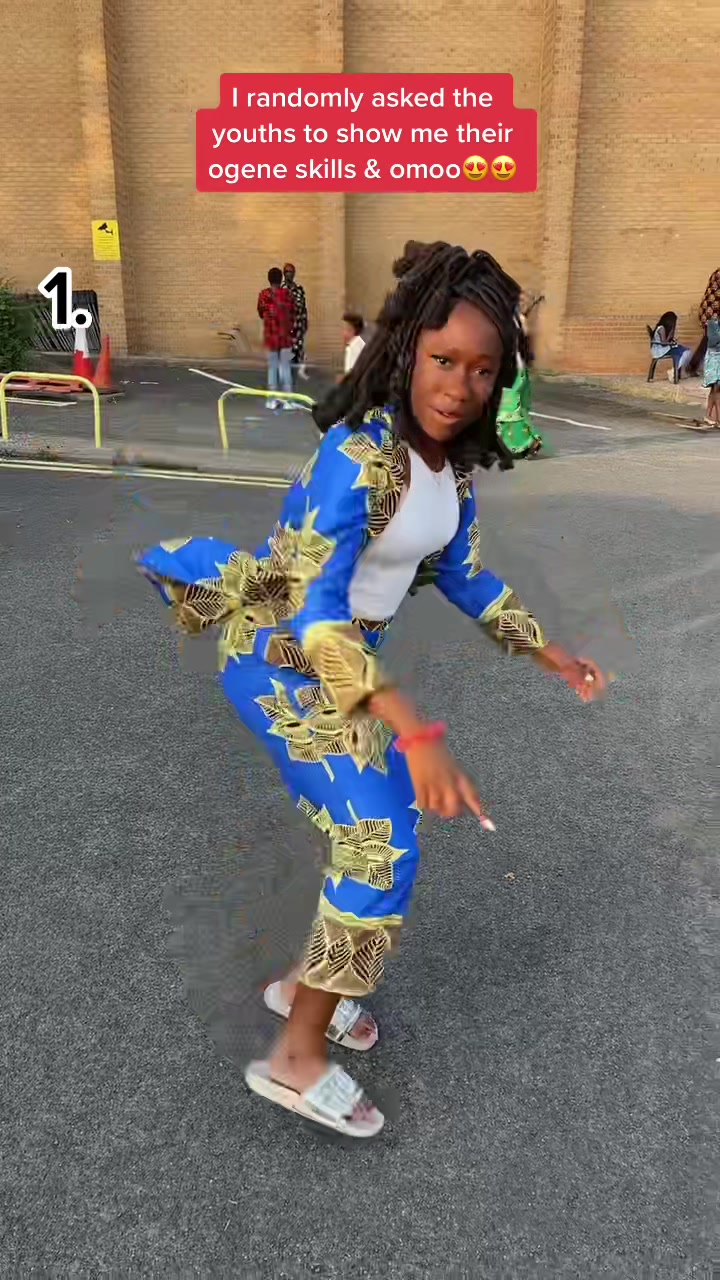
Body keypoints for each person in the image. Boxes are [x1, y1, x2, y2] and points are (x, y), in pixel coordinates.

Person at [134, 240, 607, 1139]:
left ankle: (302, 989)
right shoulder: (357, 456)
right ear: (405, 347)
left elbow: (465, 575)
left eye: (482, 369)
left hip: (348, 673)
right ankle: (295, 1057)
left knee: (379, 832)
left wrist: (551, 652)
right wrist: (415, 733)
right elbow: (318, 618)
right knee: (380, 842)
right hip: (282, 662)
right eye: (444, 360)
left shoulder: (449, 470)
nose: (460, 386)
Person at [257, 268, 296, 411]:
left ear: (269, 279)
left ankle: (271, 400)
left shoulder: (264, 295)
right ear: (281, 279)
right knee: (286, 368)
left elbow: (261, 313)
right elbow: (293, 314)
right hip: (285, 337)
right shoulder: (287, 295)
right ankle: (289, 400)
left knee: (272, 369)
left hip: (271, 337)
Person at [282, 263, 309, 382]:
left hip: (298, 328)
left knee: (298, 354)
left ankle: (295, 379)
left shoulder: (299, 289)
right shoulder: (281, 290)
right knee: (288, 356)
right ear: (284, 273)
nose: (289, 274)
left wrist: (305, 321)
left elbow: (303, 307)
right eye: (287, 272)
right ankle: (287, 380)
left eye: (291, 272)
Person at [650, 311, 691, 379]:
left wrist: (672, 332)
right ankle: (673, 371)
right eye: (674, 322)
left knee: (685, 350)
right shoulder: (661, 328)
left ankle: (674, 371)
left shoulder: (663, 328)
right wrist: (671, 343)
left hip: (662, 349)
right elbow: (663, 343)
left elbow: (667, 340)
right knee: (683, 352)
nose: (674, 323)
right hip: (660, 351)